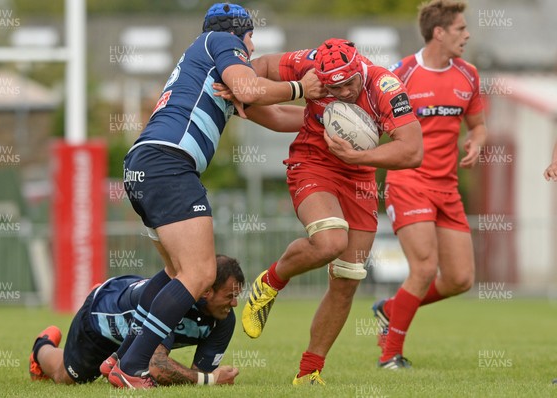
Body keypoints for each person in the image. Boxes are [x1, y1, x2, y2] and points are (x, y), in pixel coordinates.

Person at [110, 2, 325, 389]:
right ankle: (133, 366)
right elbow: (249, 87)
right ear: (238, 33)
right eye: (251, 38)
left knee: (177, 274)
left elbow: (274, 116)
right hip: (168, 162)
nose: (252, 47)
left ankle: (121, 359)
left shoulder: (208, 62)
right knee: (201, 274)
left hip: (148, 163)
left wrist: (325, 122)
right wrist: (300, 88)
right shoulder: (222, 42)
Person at [238, 38, 423, 385]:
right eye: (334, 87)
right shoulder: (308, 64)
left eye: (350, 83)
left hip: (360, 176)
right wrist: (241, 89)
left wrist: (359, 158)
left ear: (359, 70)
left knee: (348, 277)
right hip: (312, 162)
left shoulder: (385, 85)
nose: (345, 92)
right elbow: (259, 67)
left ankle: (309, 373)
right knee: (329, 242)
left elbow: (412, 151)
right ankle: (269, 283)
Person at [371, 0, 487, 369]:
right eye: (460, 29)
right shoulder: (400, 74)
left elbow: (478, 125)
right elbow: (370, 119)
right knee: (423, 268)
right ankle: (390, 357)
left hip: (447, 187)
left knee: (459, 279)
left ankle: (392, 308)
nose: (467, 35)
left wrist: (478, 141)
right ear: (439, 33)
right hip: (408, 181)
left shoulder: (468, 74)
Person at [29, 255, 244, 386]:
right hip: (100, 316)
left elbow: (197, 374)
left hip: (132, 325)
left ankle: (119, 359)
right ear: (206, 291)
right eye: (229, 296)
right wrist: (212, 381)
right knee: (67, 377)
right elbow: (156, 368)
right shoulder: (173, 304)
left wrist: (204, 378)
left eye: (236, 296)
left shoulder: (224, 319)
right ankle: (42, 346)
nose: (234, 304)